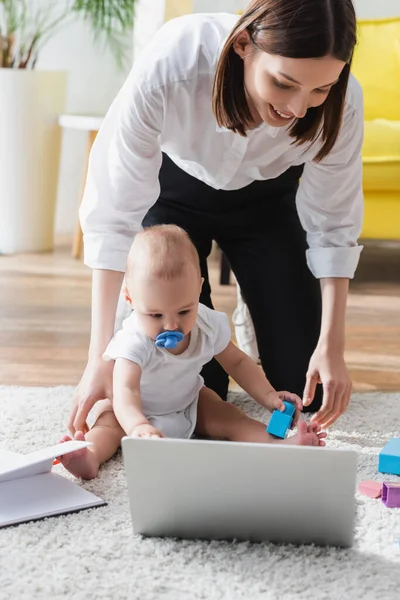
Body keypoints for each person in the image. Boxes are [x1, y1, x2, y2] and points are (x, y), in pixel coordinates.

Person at [69, 0, 364, 436]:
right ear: (244, 43)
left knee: (308, 389)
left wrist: (331, 345)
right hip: (175, 195)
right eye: (284, 84)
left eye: (319, 90)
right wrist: (99, 359)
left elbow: (333, 225)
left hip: (268, 201)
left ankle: (256, 300)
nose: (299, 109)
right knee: (191, 385)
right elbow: (114, 215)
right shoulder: (175, 61)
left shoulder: (342, 102)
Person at [59, 225, 326, 480]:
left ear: (199, 289)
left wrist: (268, 395)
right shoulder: (133, 339)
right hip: (132, 410)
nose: (171, 325)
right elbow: (126, 391)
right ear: (130, 298)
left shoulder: (206, 324)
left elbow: (237, 362)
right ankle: (88, 456)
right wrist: (138, 425)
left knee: (230, 415)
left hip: (188, 401)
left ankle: (280, 445)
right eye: (155, 314)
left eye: (184, 311)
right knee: (107, 427)